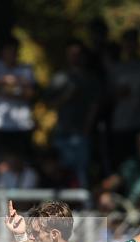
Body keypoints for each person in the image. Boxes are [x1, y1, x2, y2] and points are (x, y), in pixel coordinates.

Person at [46, 39, 98, 189]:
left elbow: (94, 105)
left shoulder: (89, 78)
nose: (74, 57)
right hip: (62, 130)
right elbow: (49, 103)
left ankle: (83, 206)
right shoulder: (60, 77)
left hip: (81, 132)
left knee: (80, 171)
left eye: (77, 54)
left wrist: (87, 128)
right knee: (59, 171)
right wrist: (66, 97)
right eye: (71, 54)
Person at [108, 29, 140, 171]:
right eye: (126, 42)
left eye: (132, 42)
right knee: (123, 163)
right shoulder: (116, 68)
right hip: (121, 124)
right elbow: (106, 97)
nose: (129, 46)